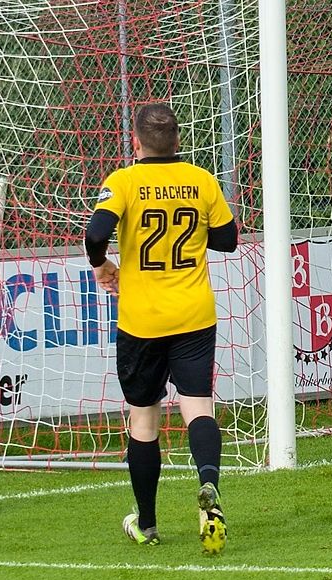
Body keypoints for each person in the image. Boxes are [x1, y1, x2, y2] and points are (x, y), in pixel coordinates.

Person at [84, 103, 238, 553]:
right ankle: (209, 487)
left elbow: (95, 234)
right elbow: (228, 239)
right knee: (198, 407)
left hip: (143, 320)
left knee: (144, 418)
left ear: (136, 141)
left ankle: (147, 524)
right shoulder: (201, 180)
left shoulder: (123, 181)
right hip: (193, 314)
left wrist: (101, 264)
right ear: (178, 141)